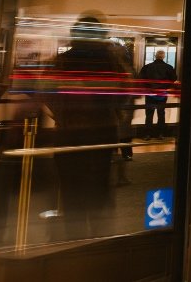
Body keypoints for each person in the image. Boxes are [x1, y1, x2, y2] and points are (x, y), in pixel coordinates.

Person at [46, 14, 133, 240]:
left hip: (68, 134)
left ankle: (74, 239)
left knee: (71, 191)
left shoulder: (64, 60)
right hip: (101, 132)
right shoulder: (111, 61)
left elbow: (47, 92)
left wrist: (62, 115)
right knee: (98, 190)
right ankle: (95, 240)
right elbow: (124, 92)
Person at [139, 49, 178, 139]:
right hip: (162, 94)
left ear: (155, 56)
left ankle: (147, 134)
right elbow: (173, 78)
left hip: (150, 94)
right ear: (163, 56)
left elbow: (141, 78)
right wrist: (165, 86)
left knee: (149, 114)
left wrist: (148, 88)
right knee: (161, 114)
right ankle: (160, 134)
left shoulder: (147, 67)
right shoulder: (169, 67)